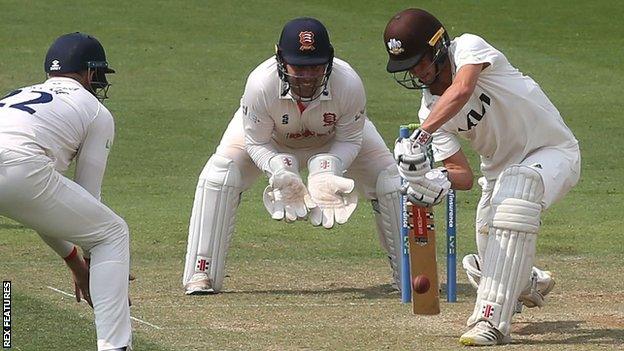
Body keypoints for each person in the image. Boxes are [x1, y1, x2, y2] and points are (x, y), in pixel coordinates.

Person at [384, 8, 580, 346]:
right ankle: (525, 281)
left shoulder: (469, 48)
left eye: (419, 61)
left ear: (438, 47)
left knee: (517, 197)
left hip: (552, 151)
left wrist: (420, 137)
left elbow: (461, 89)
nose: (416, 72)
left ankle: (490, 322)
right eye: (409, 67)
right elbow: (463, 176)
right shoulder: (428, 109)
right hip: (498, 180)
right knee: (497, 250)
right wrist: (432, 179)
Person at [183, 17, 404, 296]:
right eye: (298, 67)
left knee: (390, 181)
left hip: (333, 140)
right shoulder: (260, 84)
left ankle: (411, 274)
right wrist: (277, 168)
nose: (307, 76)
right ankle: (201, 270)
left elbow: (350, 139)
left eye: (315, 67)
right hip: (270, 140)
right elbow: (257, 142)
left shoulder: (348, 84)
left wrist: (328, 168)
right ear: (280, 60)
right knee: (220, 175)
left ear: (329, 62)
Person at [0, 32, 132, 350]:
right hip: (20, 166)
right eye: (98, 74)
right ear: (89, 73)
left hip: (16, 165)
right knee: (112, 233)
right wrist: (97, 267)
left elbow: (43, 211)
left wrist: (75, 262)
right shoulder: (96, 112)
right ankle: (115, 345)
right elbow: (86, 196)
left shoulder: (17, 93)